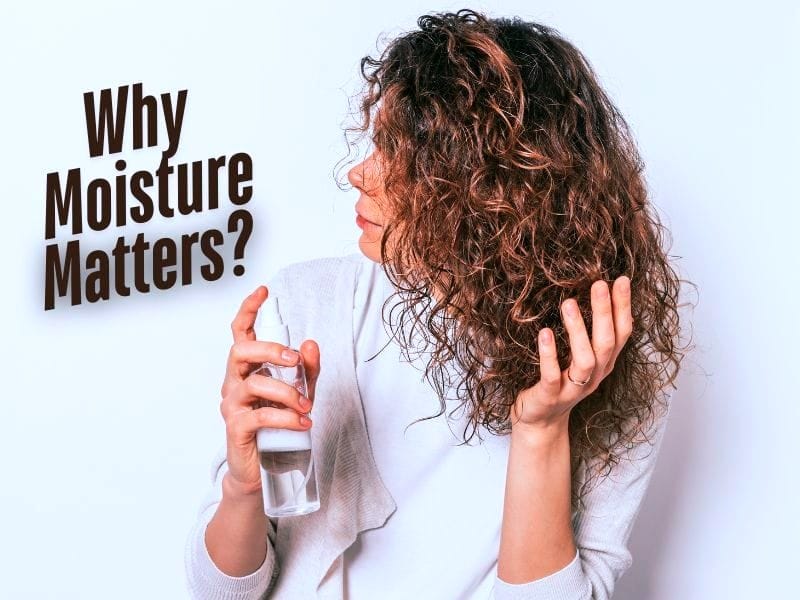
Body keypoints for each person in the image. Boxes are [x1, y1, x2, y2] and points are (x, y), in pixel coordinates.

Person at [184, 9, 690, 599]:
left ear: (490, 188)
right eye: (376, 144)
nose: (359, 174)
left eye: (401, 156)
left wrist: (542, 432)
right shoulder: (307, 305)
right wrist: (244, 488)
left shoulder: (607, 362)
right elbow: (218, 594)